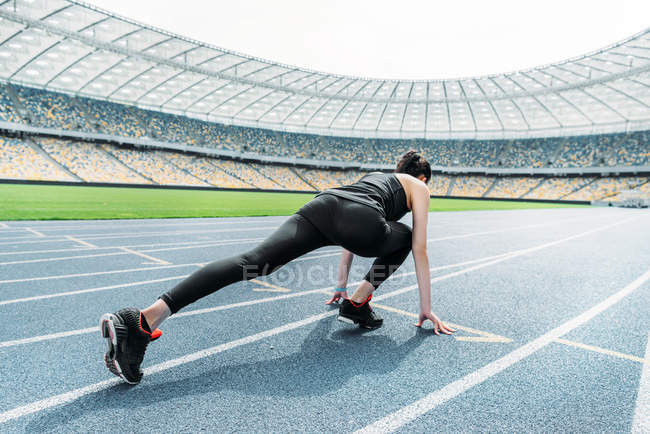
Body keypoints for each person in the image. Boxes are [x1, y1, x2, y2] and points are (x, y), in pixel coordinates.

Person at [100, 150, 456, 384]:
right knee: (408, 235)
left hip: (323, 205)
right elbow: (419, 248)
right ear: (423, 178)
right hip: (361, 222)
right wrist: (425, 307)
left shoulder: (376, 178)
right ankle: (360, 303)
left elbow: (348, 231)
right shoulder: (419, 188)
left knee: (251, 263)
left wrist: (340, 284)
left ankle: (142, 320)